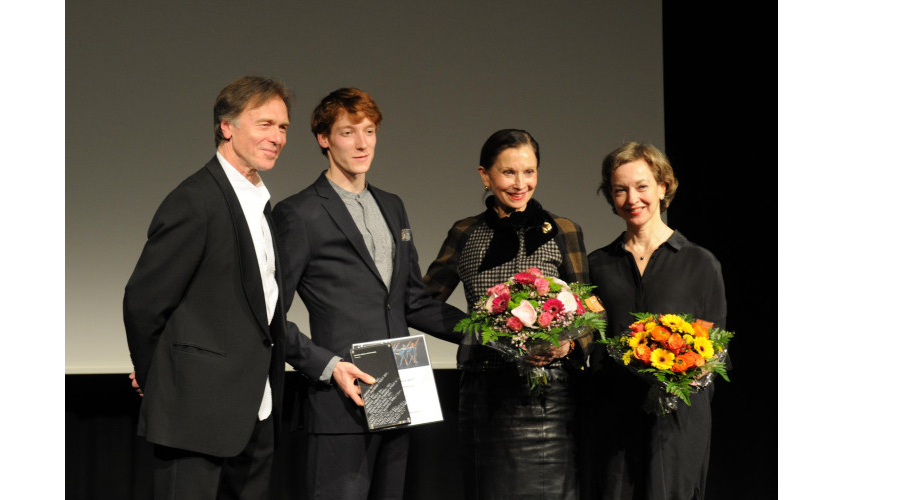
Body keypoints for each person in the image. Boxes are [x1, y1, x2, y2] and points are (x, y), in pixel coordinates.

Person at [273, 87, 467, 500]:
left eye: (369, 130)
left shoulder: (392, 205)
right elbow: (270, 313)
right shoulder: (300, 212)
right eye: (348, 132)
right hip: (340, 396)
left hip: (398, 388)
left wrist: (486, 332)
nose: (362, 143)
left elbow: (411, 299)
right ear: (324, 138)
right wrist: (327, 366)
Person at [123, 76, 292, 500]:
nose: (277, 137)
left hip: (257, 409)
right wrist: (157, 377)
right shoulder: (195, 200)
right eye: (265, 124)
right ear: (226, 127)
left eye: (283, 127)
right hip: (193, 416)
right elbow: (144, 302)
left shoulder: (261, 204)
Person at [423, 129, 591, 500]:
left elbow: (591, 315)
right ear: (485, 175)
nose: (520, 184)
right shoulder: (465, 232)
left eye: (529, 172)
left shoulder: (563, 230)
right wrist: (477, 331)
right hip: (483, 388)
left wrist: (566, 347)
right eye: (508, 173)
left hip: (548, 392)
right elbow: (422, 302)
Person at [582, 142, 727, 500]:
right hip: (613, 419)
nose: (632, 198)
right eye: (620, 189)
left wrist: (684, 374)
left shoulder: (699, 263)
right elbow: (588, 339)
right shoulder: (597, 264)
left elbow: (717, 350)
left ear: (663, 187)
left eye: (642, 186)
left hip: (676, 424)